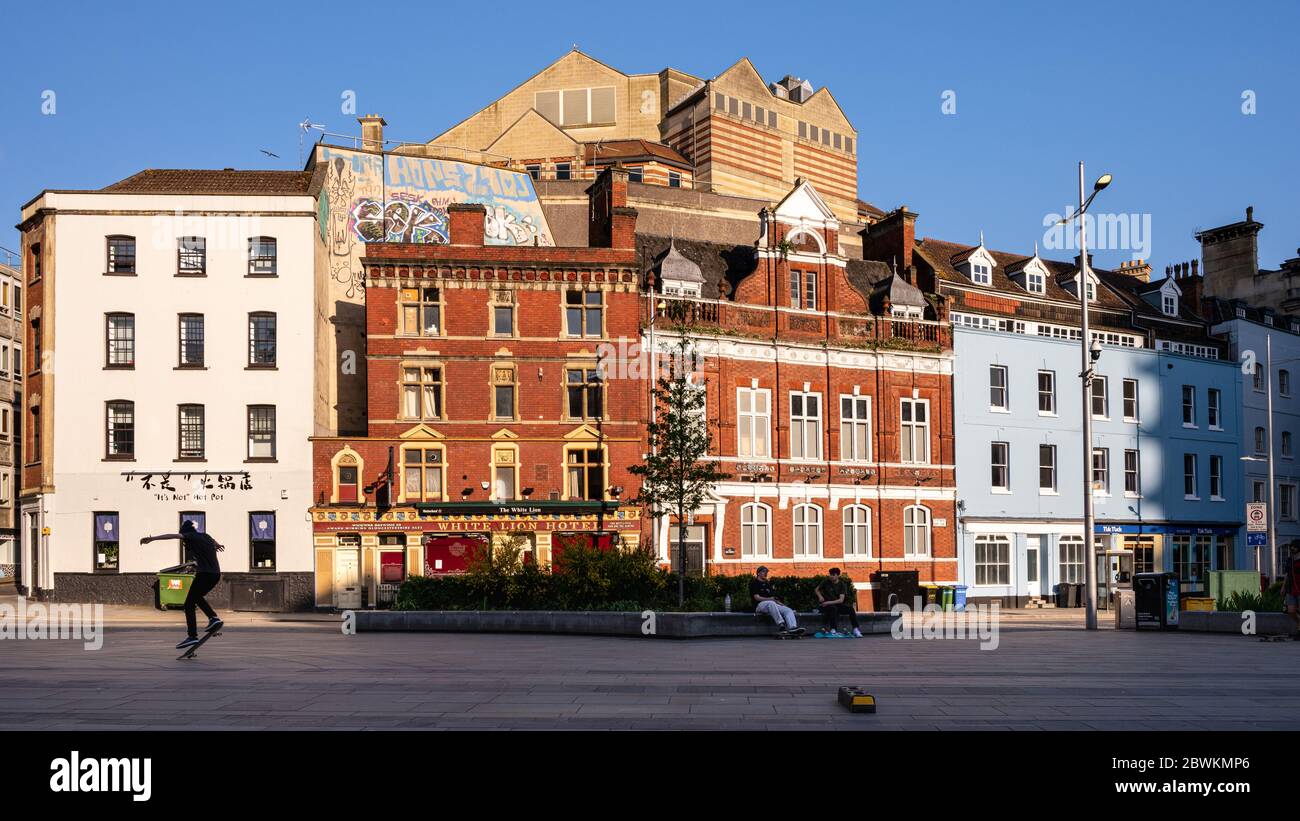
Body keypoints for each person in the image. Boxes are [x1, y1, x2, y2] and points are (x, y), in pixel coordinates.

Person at [142, 520, 225, 649]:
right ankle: (213, 618)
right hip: (215, 575)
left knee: (188, 603)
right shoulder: (206, 536)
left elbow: (173, 536)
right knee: (196, 597)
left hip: (204, 574)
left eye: (185, 541)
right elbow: (213, 540)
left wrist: (153, 539)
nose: (185, 544)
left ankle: (192, 636)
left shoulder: (191, 536)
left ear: (186, 533)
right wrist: (218, 544)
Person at [750, 566, 802, 635]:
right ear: (758, 573)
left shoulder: (767, 584)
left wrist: (785, 606)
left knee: (788, 610)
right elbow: (757, 598)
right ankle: (781, 625)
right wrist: (770, 599)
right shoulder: (754, 583)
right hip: (759, 605)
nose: (765, 573)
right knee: (771, 603)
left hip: (771, 605)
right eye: (763, 572)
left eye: (766, 572)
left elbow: (774, 599)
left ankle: (792, 628)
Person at [816, 568, 862, 637]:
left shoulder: (842, 585)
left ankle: (855, 629)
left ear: (838, 575)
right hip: (825, 606)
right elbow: (816, 589)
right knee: (833, 609)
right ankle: (833, 629)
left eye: (833, 575)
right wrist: (820, 596)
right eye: (830, 575)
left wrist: (828, 602)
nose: (831, 576)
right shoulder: (826, 582)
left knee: (851, 609)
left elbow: (841, 600)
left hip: (834, 604)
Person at [1284, 542, 1300, 638]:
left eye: (1294, 547)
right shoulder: (1290, 560)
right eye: (1291, 547)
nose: (1292, 549)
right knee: (1291, 611)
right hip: (1291, 587)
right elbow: (1287, 574)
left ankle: (1299, 630)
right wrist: (1283, 587)